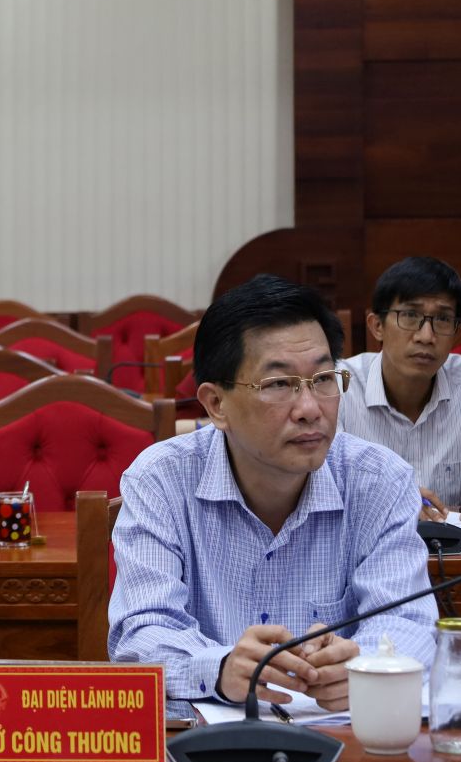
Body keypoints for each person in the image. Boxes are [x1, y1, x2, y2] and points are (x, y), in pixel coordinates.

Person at [108, 275, 435, 711]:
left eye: (323, 378)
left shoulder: (380, 481)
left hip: (341, 735)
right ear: (216, 404)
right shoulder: (161, 480)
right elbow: (141, 633)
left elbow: (409, 621)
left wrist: (366, 664)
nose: (310, 409)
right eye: (279, 385)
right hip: (205, 742)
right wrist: (220, 668)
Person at [338, 256, 461, 520]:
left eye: (442, 319)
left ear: (456, 333)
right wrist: (393, 502)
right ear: (377, 326)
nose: (426, 336)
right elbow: (316, 485)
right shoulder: (336, 388)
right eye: (410, 316)